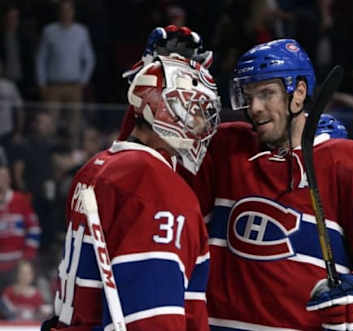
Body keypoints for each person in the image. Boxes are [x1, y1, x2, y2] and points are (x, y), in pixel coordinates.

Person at [133, 27, 353, 330]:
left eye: (267, 93)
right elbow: (146, 167)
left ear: (299, 93)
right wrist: (152, 88)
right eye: (248, 96)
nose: (255, 107)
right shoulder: (225, 149)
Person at [41, 52, 221, 330]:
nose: (201, 124)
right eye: (192, 109)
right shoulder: (158, 187)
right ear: (161, 108)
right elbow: (152, 318)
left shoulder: (95, 167)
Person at [35, 0, 95, 147]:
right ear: (59, 12)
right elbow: (41, 58)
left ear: (73, 12)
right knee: (50, 123)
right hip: (53, 85)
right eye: (63, 10)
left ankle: (73, 152)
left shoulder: (81, 31)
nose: (66, 13)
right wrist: (41, 82)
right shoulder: (49, 31)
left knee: (74, 123)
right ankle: (48, 152)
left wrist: (83, 80)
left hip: (75, 85)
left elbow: (89, 58)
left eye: (69, 10)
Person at [0, 147, 40, 293]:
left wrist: (28, 256)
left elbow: (34, 229)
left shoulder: (20, 200)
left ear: (9, 179)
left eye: (4, 177)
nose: (1, 181)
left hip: (16, 265)